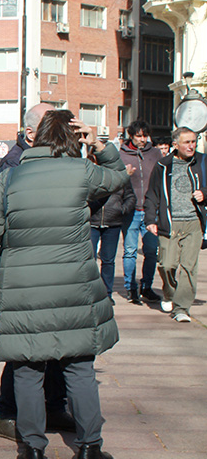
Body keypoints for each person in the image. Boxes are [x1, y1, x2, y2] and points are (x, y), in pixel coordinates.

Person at [0, 110, 128, 459]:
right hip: (75, 287)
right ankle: (90, 448)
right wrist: (101, 144)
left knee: (27, 368)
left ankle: (33, 448)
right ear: (74, 137)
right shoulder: (82, 171)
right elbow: (119, 177)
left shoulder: (11, 177)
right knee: (80, 367)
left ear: (37, 135)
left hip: (25, 289)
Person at [0, 102, 72, 443]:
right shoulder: (15, 164)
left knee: (54, 343)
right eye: (50, 123)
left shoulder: (55, 160)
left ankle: (53, 405)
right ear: (30, 133)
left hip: (50, 268)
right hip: (25, 271)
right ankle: (8, 413)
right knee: (24, 347)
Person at [145, 126, 207, 323]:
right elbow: (152, 194)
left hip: (193, 223)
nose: (191, 146)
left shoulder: (203, 161)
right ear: (175, 144)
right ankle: (170, 294)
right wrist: (150, 220)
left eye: (194, 141)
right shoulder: (163, 166)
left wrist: (204, 193)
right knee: (166, 265)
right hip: (169, 223)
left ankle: (181, 308)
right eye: (187, 142)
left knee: (189, 267)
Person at [118, 120, 163, 304]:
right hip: (130, 211)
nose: (142, 139)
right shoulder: (121, 155)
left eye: (145, 135)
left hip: (151, 211)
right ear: (131, 136)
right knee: (130, 251)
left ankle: (147, 286)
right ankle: (131, 288)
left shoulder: (155, 153)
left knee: (151, 251)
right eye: (139, 136)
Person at [89, 176, 135, 300]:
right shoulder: (91, 173)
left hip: (113, 223)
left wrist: (122, 210)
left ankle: (106, 293)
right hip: (92, 222)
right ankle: (91, 292)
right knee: (90, 260)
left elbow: (130, 196)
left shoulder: (120, 176)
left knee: (108, 260)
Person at [0, 102, 55, 177]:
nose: (59, 133)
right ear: (30, 134)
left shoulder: (58, 153)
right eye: (51, 129)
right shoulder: (13, 163)